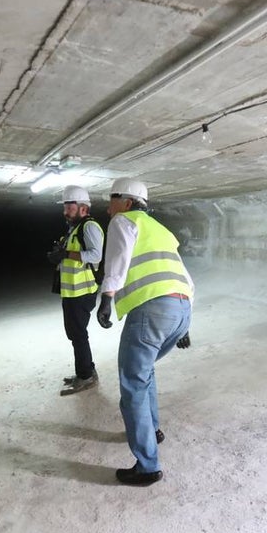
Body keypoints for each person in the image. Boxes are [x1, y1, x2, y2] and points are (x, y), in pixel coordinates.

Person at [96, 178, 193, 486]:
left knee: (133, 385)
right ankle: (153, 430)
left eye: (112, 199)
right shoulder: (161, 229)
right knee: (145, 372)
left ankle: (147, 467)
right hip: (181, 308)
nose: (108, 205)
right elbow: (182, 273)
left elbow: (118, 260)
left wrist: (106, 298)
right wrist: (186, 325)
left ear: (126, 201)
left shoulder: (123, 221)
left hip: (151, 311)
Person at [47, 185, 104, 396]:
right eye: (64, 208)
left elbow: (95, 256)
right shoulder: (75, 228)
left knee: (78, 335)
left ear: (82, 208)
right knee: (75, 334)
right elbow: (70, 252)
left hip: (83, 291)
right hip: (71, 291)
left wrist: (66, 254)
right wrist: (59, 254)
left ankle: (86, 376)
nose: (65, 212)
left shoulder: (89, 227)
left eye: (68, 208)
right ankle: (86, 370)